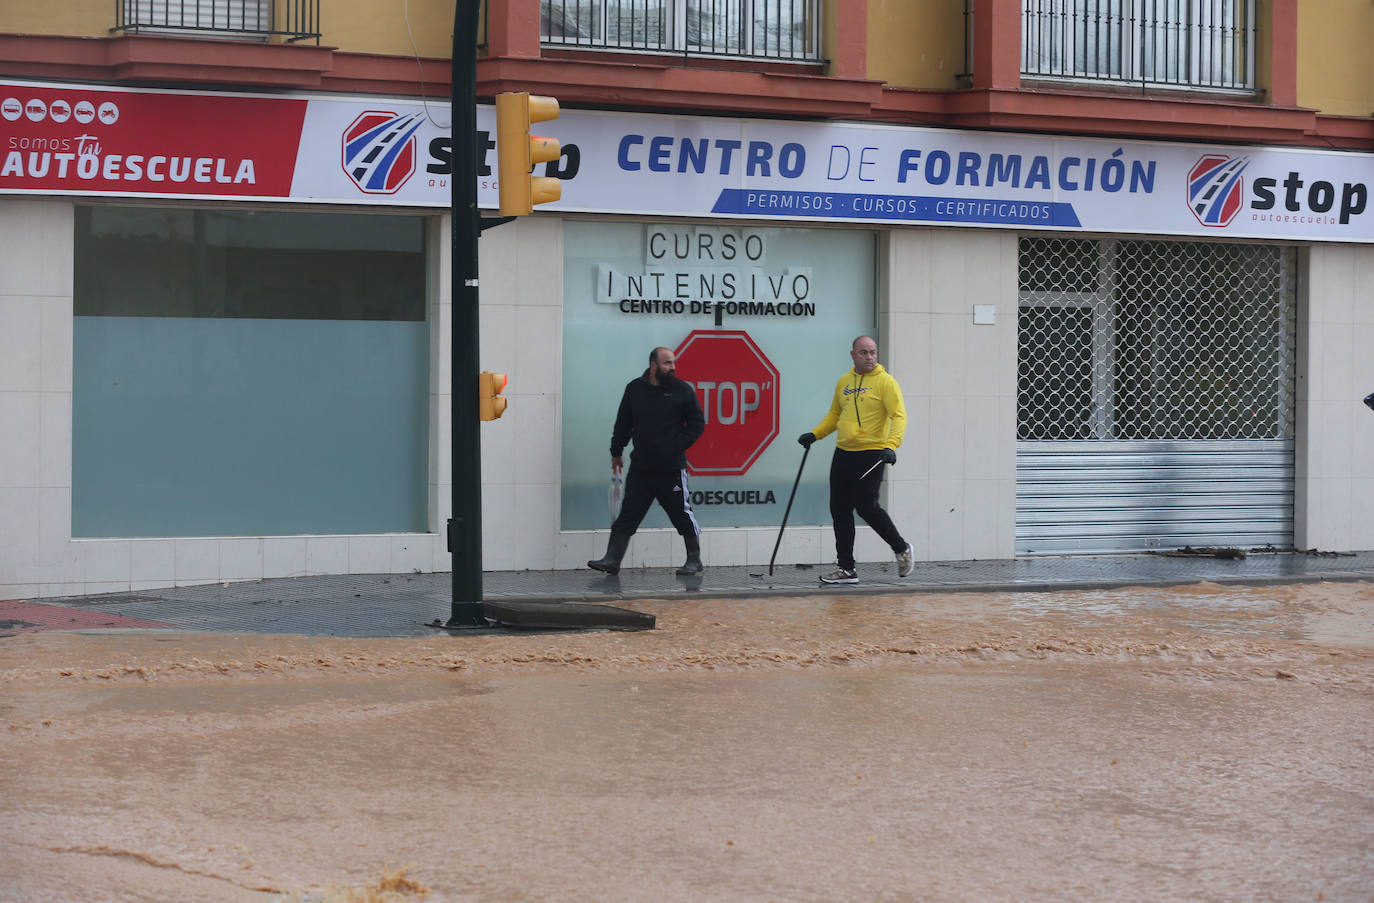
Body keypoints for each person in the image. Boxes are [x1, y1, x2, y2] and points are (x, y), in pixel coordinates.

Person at [798, 335, 914, 584]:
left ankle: (901, 548)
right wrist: (815, 434)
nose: (870, 357)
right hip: (843, 453)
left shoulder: (886, 382)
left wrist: (891, 446)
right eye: (864, 352)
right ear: (853, 354)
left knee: (866, 506)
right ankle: (846, 569)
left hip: (872, 453)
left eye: (873, 352)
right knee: (839, 509)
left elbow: (899, 416)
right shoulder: (844, 382)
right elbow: (835, 415)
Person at [588, 346, 707, 577]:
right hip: (641, 468)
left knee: (681, 512)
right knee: (628, 513)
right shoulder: (635, 389)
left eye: (673, 363)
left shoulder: (682, 390)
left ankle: (694, 559)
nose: (672, 367)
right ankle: (612, 559)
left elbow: (697, 424)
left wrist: (676, 445)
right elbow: (623, 423)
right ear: (654, 365)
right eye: (667, 363)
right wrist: (616, 451)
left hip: (671, 469)